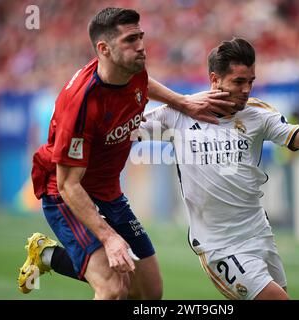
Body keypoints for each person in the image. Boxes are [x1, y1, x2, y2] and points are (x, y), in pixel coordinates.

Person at [135, 37, 299, 300]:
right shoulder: (177, 114)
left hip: (259, 234)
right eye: (238, 82)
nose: (246, 90)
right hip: (219, 244)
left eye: (250, 81)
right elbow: (126, 130)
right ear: (214, 79)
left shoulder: (258, 115)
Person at [17, 7, 237, 300]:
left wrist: (183, 102)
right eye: (131, 40)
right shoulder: (81, 105)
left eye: (141, 36)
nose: (141, 46)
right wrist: (108, 237)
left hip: (109, 194)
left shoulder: (131, 70)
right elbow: (69, 184)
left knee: (149, 292)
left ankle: (48, 256)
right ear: (104, 49)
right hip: (66, 193)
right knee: (112, 288)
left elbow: (144, 83)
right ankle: (56, 256)